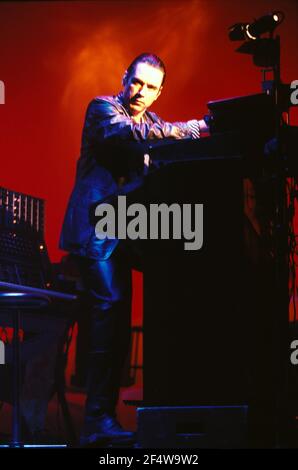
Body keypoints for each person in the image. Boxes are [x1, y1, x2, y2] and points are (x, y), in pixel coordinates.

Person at [59, 52, 208, 446]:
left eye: (150, 87)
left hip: (125, 233)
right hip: (96, 231)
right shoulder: (104, 109)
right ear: (125, 78)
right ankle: (96, 424)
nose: (141, 92)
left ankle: (117, 418)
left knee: (120, 324)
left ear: (160, 92)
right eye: (137, 82)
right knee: (109, 317)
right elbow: (126, 136)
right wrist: (187, 129)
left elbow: (162, 153)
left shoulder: (154, 122)